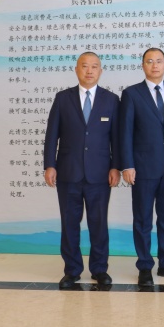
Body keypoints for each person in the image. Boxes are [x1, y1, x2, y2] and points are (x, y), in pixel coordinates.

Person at [43, 51, 120, 289]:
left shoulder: (111, 100)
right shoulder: (62, 98)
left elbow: (117, 139)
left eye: (94, 66)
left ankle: (99, 269)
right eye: (84, 66)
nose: (89, 71)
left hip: (100, 174)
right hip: (68, 172)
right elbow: (51, 135)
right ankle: (72, 270)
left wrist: (116, 166)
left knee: (99, 223)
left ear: (100, 71)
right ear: (76, 70)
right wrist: (49, 164)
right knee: (69, 223)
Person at [119, 48, 164, 287]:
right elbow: (125, 132)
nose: (155, 65)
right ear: (143, 65)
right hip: (142, 167)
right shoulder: (131, 94)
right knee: (142, 219)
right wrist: (127, 165)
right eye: (149, 61)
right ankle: (144, 266)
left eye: (159, 61)